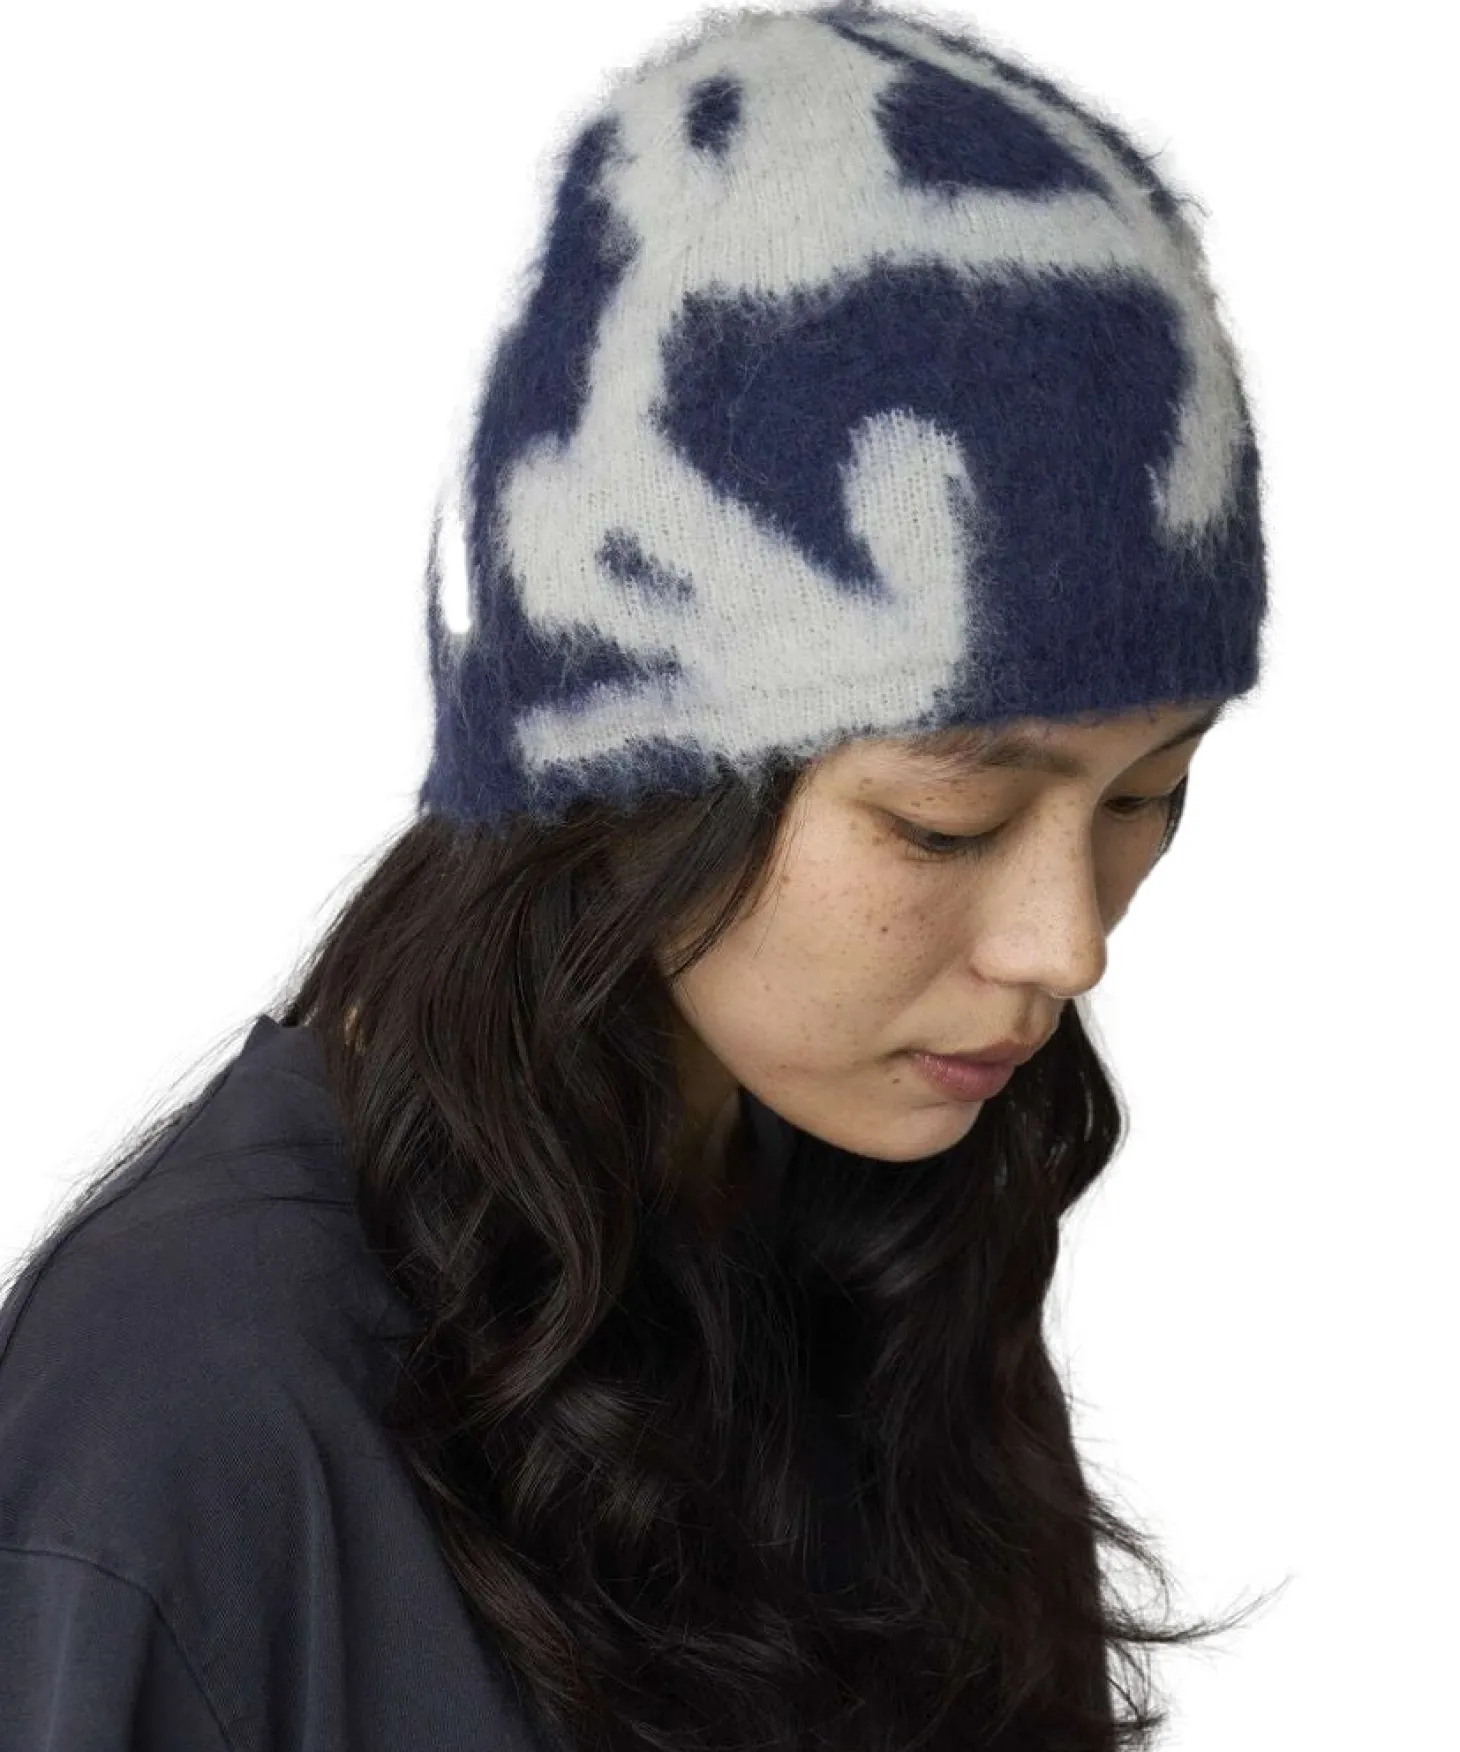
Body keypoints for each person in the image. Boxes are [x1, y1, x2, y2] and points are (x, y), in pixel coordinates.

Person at [0, 3, 1280, 1748]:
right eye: (945, 824)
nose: (1069, 948)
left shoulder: (863, 1232)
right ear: (625, 781)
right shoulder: (183, 1425)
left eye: (1149, 794)